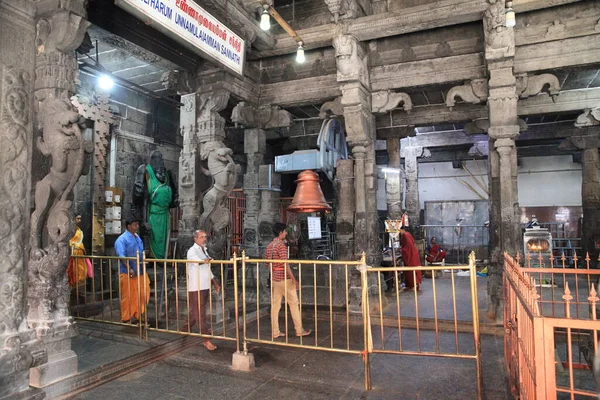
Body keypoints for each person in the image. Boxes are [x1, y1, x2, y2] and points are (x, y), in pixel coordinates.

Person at [264, 223, 311, 339]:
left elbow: (267, 264)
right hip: (284, 279)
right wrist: (294, 280)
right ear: (280, 232)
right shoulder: (281, 246)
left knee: (275, 306)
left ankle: (275, 332)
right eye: (285, 231)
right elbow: (286, 265)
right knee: (294, 304)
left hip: (275, 279)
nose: (286, 233)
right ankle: (299, 330)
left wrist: (275, 271)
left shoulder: (269, 246)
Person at [181, 230, 221, 351]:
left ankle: (185, 328)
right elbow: (198, 263)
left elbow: (207, 268)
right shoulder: (192, 251)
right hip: (196, 286)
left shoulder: (204, 249)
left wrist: (215, 283)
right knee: (200, 312)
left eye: (205, 237)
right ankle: (205, 338)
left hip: (204, 285)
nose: (204, 239)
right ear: (195, 239)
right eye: (202, 237)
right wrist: (205, 260)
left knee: (196, 310)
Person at [115, 218, 150, 324]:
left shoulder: (137, 237)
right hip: (128, 272)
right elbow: (121, 256)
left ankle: (139, 313)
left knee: (143, 293)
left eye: (137, 224)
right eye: (135, 225)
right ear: (128, 226)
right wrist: (129, 269)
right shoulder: (121, 240)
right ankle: (126, 317)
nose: (137, 226)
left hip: (140, 270)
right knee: (128, 295)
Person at [67, 214, 87, 288]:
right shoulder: (68, 230)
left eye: (80, 219)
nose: (79, 220)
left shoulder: (79, 231)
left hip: (79, 254)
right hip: (70, 254)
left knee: (80, 272)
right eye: (77, 218)